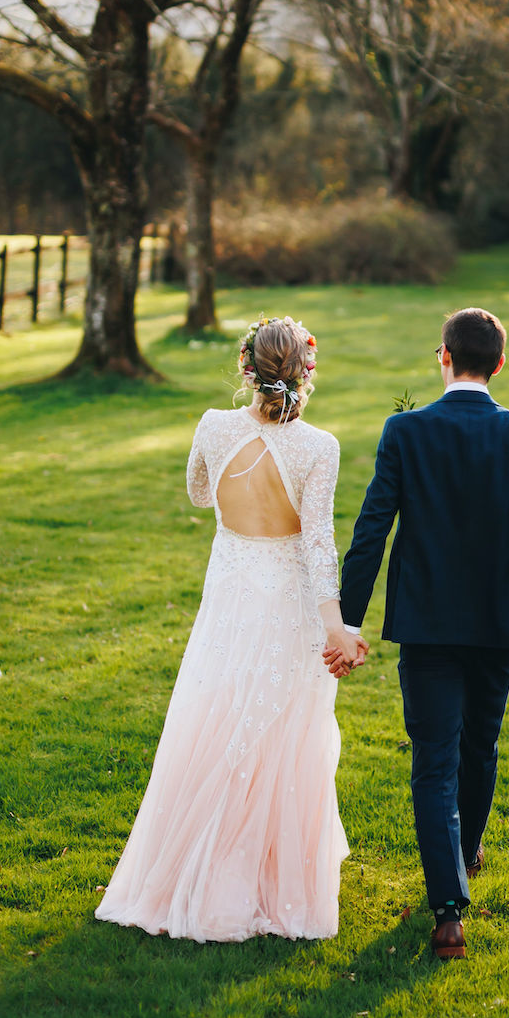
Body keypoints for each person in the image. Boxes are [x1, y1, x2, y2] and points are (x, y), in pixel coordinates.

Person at [96, 317, 359, 943]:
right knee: (281, 730)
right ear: (306, 371)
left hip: (232, 594)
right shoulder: (320, 447)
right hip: (289, 603)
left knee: (214, 716)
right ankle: (268, 884)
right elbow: (318, 544)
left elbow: (196, 495)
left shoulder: (214, 426)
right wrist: (336, 628)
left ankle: (199, 870)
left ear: (247, 368)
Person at [328, 306, 509, 960]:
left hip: (427, 625)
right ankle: (463, 855)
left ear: (443, 356)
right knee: (479, 746)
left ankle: (447, 908)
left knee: (433, 760)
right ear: (498, 364)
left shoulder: (405, 431)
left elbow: (371, 530)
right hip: (498, 625)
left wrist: (346, 619)